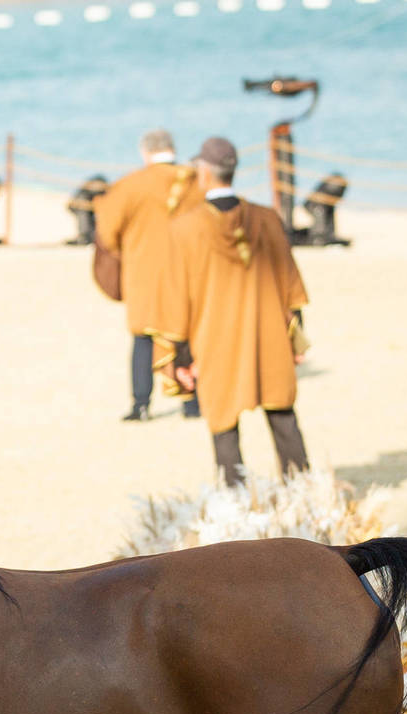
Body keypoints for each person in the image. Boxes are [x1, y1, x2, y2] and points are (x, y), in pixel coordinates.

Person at [160, 137, 310, 488]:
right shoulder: (267, 218)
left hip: (216, 340)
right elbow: (291, 286)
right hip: (269, 334)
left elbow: (177, 298)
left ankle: (235, 500)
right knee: (283, 416)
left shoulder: (184, 228)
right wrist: (297, 340)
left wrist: (180, 357)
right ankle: (303, 492)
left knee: (223, 424)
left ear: (204, 172)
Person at [92, 128, 203, 422]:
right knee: (187, 334)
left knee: (142, 336)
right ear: (172, 149)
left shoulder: (130, 185)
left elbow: (107, 231)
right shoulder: (195, 181)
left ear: (145, 152)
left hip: (143, 271)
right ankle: (192, 403)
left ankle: (141, 405)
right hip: (188, 269)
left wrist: (126, 251)